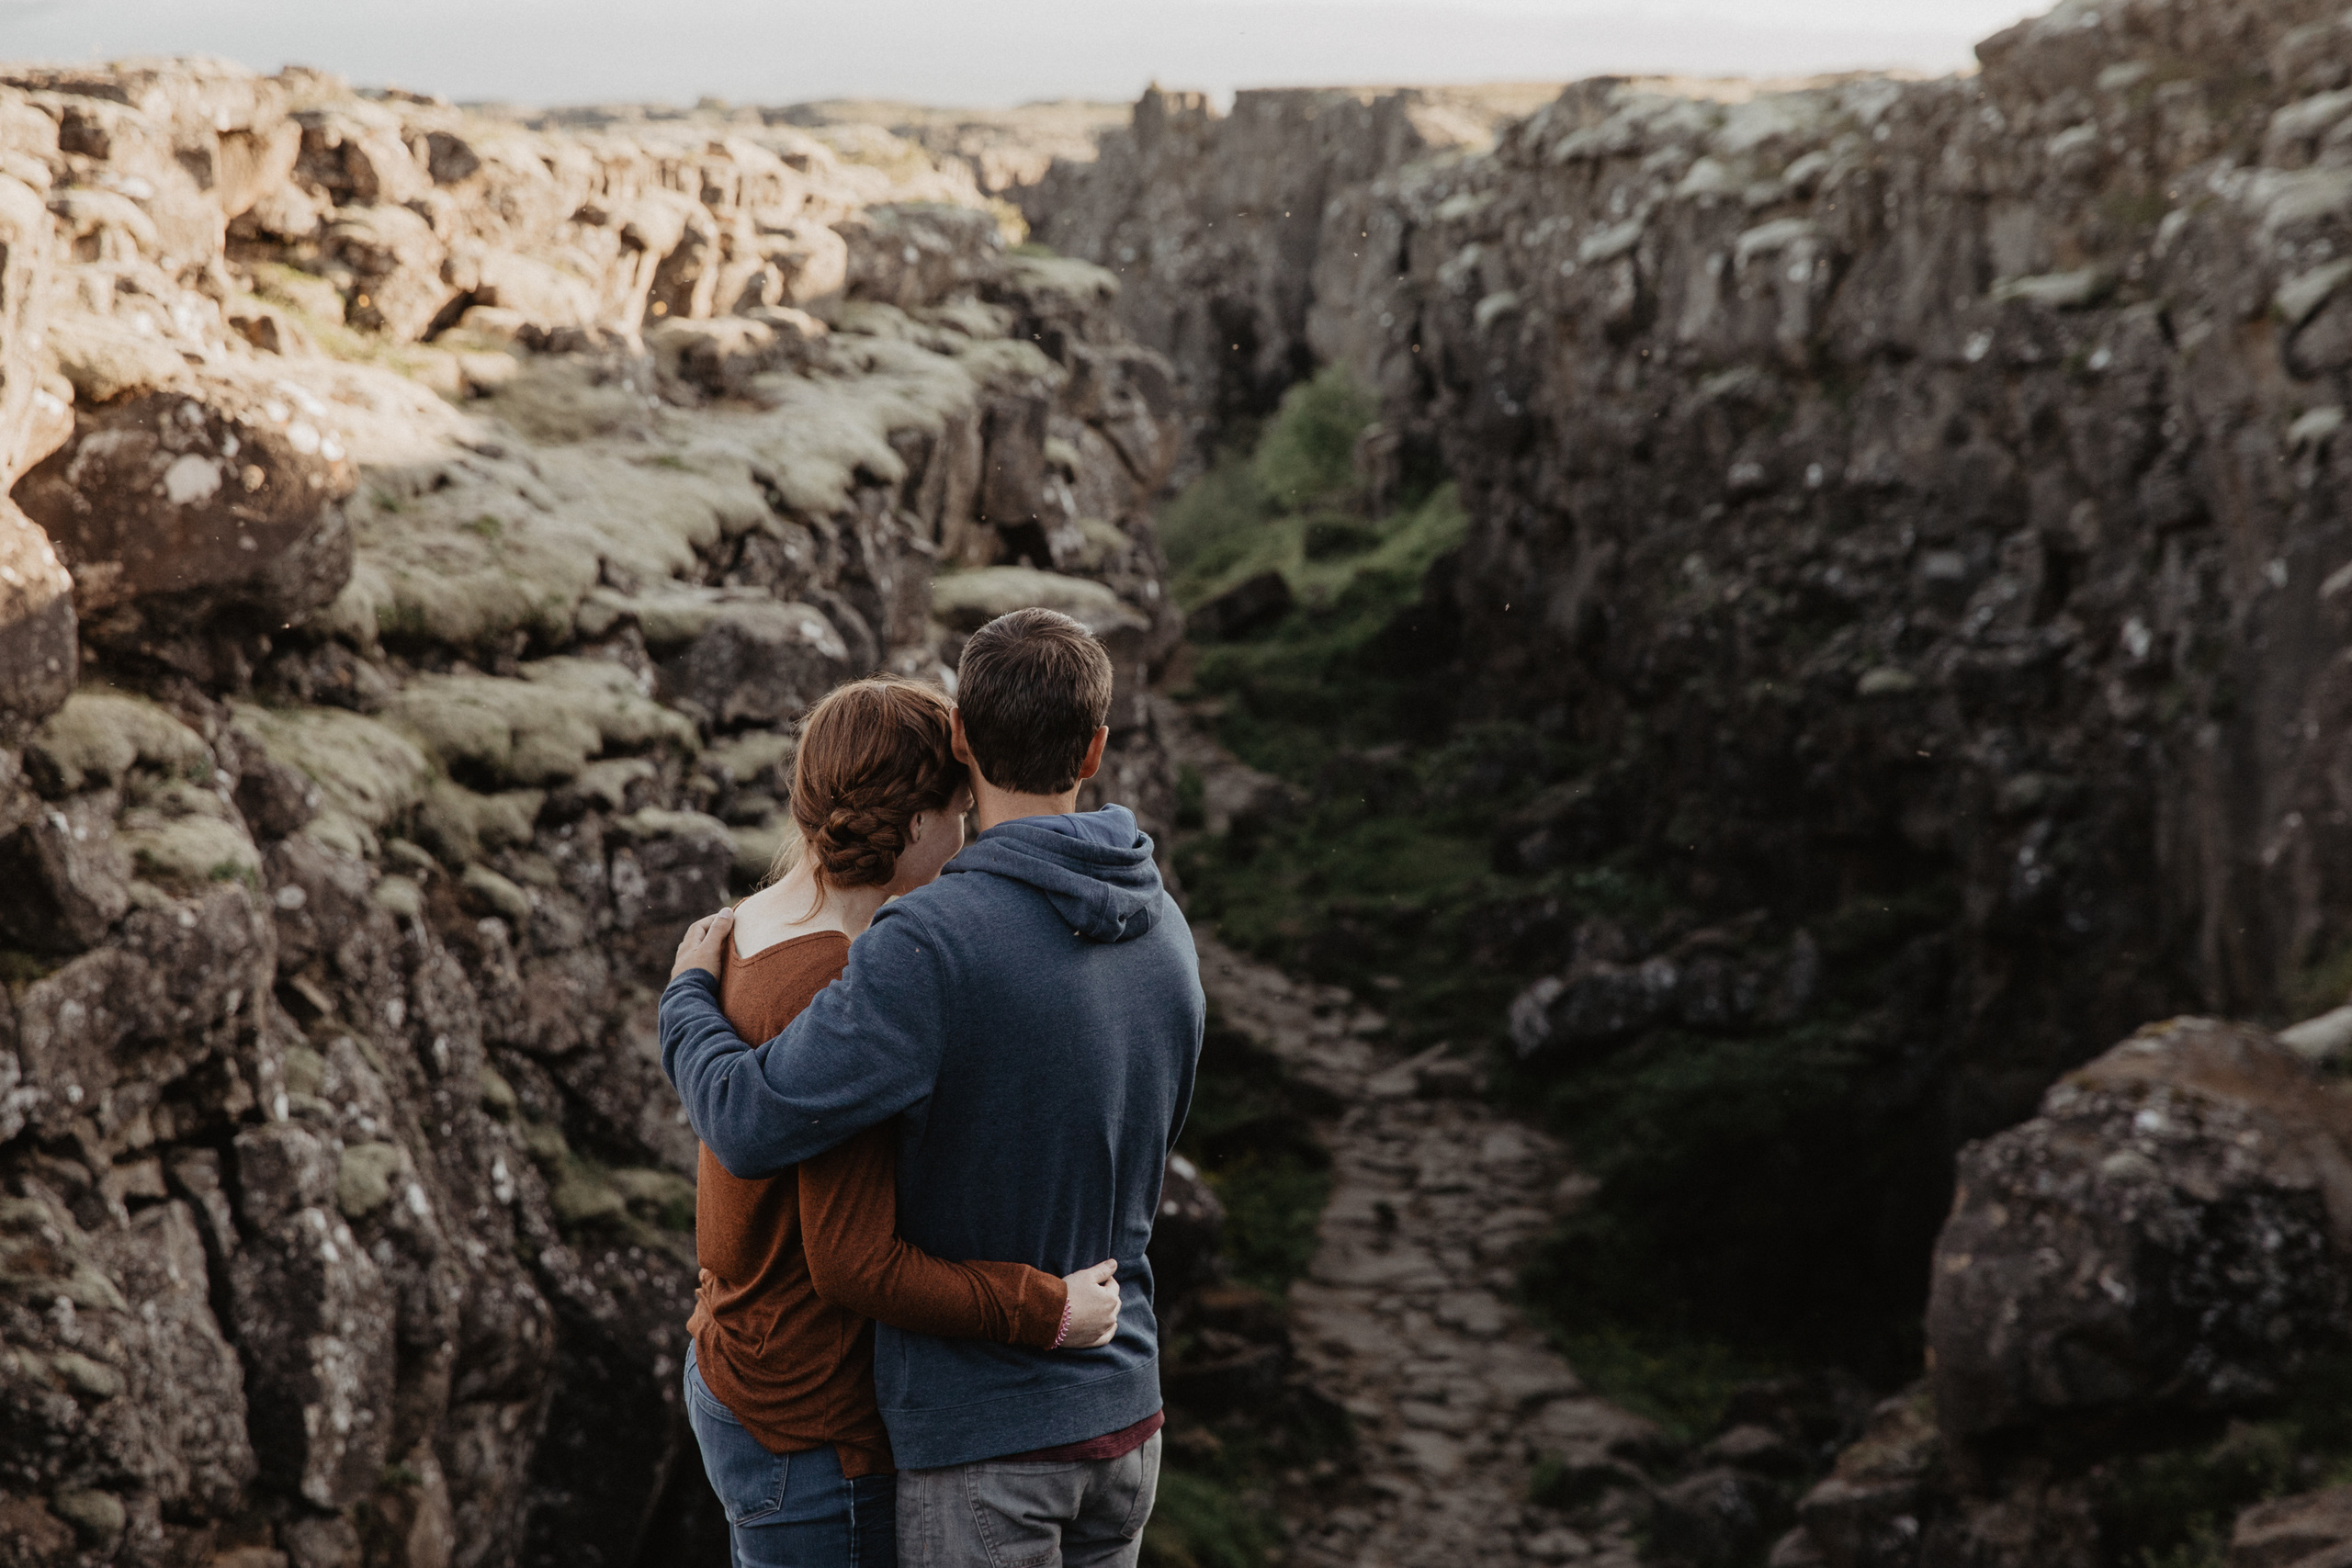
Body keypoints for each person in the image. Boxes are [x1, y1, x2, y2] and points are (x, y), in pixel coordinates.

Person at [663, 607, 1205, 1568]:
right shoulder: (1163, 925)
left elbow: (755, 1128)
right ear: (1095, 748)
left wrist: (684, 999)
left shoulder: (919, 950)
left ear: (962, 735)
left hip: (983, 1441)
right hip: (1125, 1412)